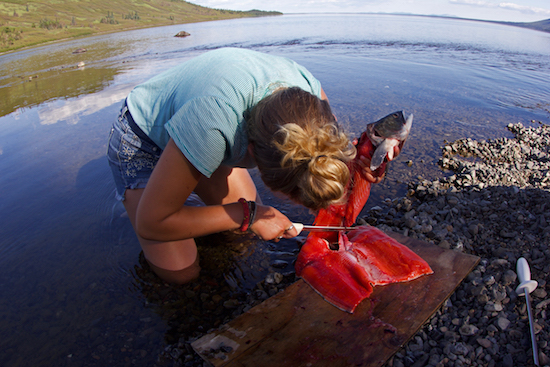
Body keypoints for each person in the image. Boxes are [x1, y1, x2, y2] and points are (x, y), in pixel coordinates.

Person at [107, 48, 387, 284]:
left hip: (203, 131)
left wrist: (366, 157)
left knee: (240, 234)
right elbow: (151, 224)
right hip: (143, 139)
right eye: (293, 197)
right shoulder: (212, 121)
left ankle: (181, 186)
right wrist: (250, 216)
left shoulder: (311, 99)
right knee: (182, 273)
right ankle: (144, 197)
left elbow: (328, 154)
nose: (309, 210)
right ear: (252, 153)